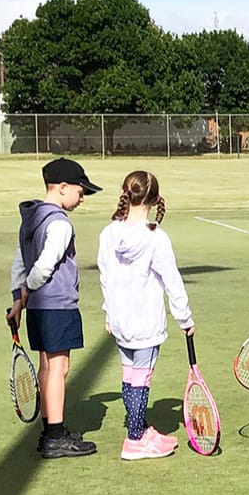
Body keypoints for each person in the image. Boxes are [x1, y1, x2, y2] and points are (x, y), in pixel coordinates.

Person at [7, 157, 102, 458]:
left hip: (37, 308)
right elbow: (42, 267)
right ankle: (55, 436)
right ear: (62, 188)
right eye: (80, 190)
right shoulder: (59, 223)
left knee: (48, 366)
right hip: (57, 306)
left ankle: (50, 430)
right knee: (59, 368)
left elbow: (19, 262)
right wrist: (25, 292)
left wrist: (18, 298)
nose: (82, 197)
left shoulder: (32, 218)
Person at [98, 171, 194, 460]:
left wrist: (107, 312)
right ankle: (135, 439)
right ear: (153, 200)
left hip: (120, 321)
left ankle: (138, 428)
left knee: (130, 376)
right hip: (145, 323)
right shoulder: (156, 238)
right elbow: (171, 280)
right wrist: (185, 318)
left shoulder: (109, 233)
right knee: (141, 379)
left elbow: (105, 277)